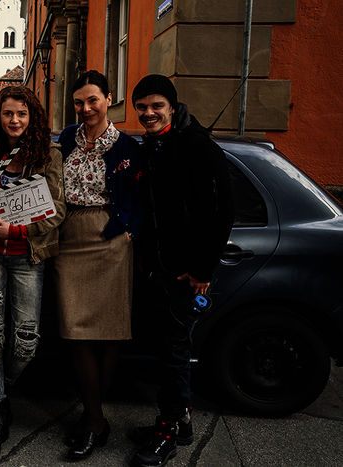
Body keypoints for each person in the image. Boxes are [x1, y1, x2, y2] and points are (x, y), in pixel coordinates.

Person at [129, 74, 233, 467]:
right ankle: (179, 421)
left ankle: (168, 433)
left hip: (188, 274)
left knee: (174, 353)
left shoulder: (197, 145)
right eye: (142, 107)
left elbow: (221, 212)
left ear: (172, 106)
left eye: (156, 105)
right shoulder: (155, 145)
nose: (148, 112)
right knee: (166, 349)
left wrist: (202, 268)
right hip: (162, 269)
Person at [0, 86, 66, 461]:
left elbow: (57, 211)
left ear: (32, 118)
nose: (14, 121)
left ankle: (2, 389)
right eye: (8, 113)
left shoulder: (47, 155)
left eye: (21, 114)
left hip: (28, 255)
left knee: (27, 340)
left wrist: (20, 231)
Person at [54, 70, 143, 461]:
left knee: (108, 333)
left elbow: (143, 196)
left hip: (110, 239)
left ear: (109, 98)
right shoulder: (65, 139)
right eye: (79, 102)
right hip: (69, 236)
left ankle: (93, 419)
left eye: (93, 100)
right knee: (75, 331)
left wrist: (128, 231)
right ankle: (94, 418)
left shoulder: (126, 145)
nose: (86, 108)